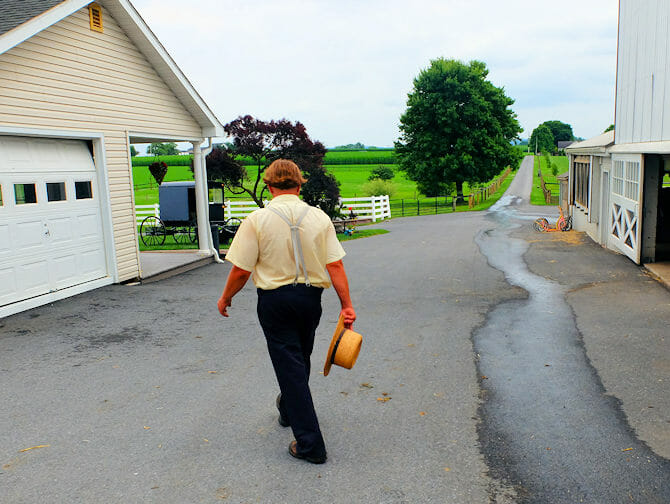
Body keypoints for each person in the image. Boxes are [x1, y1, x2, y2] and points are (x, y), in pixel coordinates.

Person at [217, 159, 356, 464]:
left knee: (289, 363)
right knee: (299, 357)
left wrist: (226, 297)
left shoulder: (256, 219)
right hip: (310, 299)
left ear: (268, 185)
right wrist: (346, 305)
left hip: (275, 301)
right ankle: (288, 408)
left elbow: (241, 269)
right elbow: (335, 264)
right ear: (299, 183)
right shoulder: (319, 218)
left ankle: (310, 445)